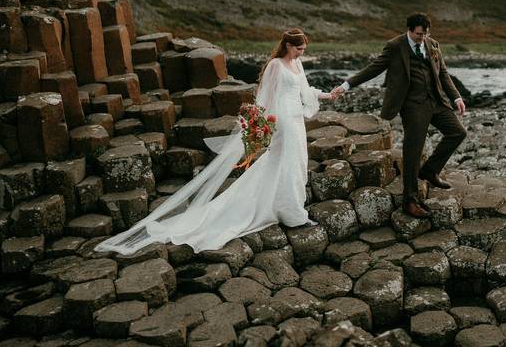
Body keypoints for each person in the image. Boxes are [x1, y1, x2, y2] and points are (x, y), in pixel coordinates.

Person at [96, 28, 332, 255]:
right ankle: (293, 215)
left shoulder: (297, 63)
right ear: (288, 45)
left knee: (297, 161)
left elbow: (305, 90)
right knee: (286, 162)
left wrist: (327, 95)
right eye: (299, 48)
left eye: (303, 48)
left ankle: (288, 206)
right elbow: (265, 95)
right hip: (283, 122)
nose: (302, 52)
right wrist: (259, 122)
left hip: (297, 119)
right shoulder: (275, 65)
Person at [332, 13, 467, 218]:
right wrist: (346, 85)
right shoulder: (395, 46)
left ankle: (430, 170)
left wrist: (456, 97)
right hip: (413, 105)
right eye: (419, 34)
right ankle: (409, 201)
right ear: (410, 30)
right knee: (413, 150)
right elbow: (373, 68)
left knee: (457, 132)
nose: (423, 37)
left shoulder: (433, 44)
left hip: (436, 101)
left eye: (426, 33)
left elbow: (443, 74)